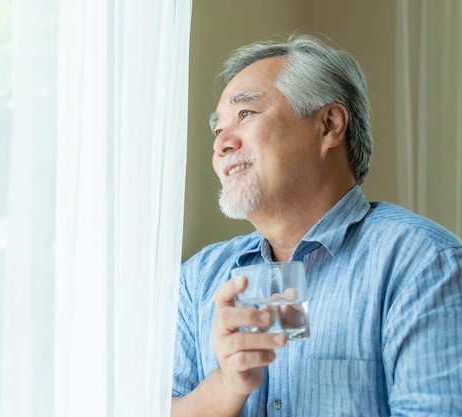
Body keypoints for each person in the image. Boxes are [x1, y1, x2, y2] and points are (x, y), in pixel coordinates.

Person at [171, 34, 462, 417]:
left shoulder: (423, 263)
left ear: (329, 125)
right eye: (217, 129)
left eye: (245, 114)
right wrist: (226, 384)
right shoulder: (196, 281)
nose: (221, 143)